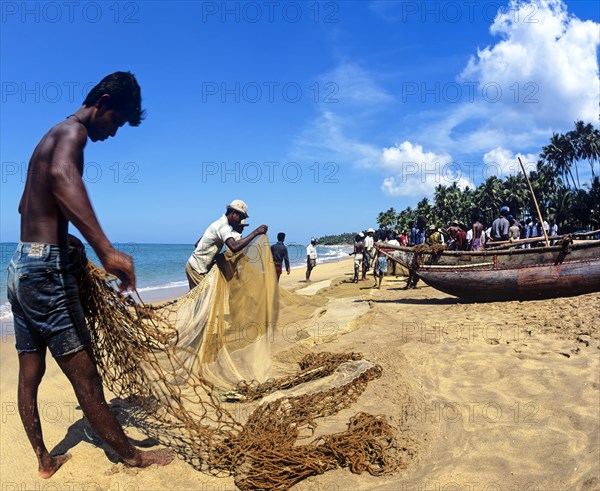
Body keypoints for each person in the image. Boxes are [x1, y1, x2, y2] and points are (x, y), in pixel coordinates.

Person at [5, 72, 175, 478]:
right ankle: (130, 455)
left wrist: (67, 240)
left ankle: (45, 460)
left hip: (19, 267)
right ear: (102, 102)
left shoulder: (46, 138)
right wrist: (106, 249)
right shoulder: (72, 133)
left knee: (30, 372)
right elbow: (65, 179)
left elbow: (23, 207)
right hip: (45, 273)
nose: (113, 133)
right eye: (115, 122)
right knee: (85, 373)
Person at [186, 200, 268, 289]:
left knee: (203, 299)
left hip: (195, 266)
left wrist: (211, 257)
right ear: (233, 213)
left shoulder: (218, 223)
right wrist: (256, 232)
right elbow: (234, 247)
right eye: (241, 217)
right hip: (197, 269)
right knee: (207, 300)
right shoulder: (223, 227)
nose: (241, 220)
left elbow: (197, 244)